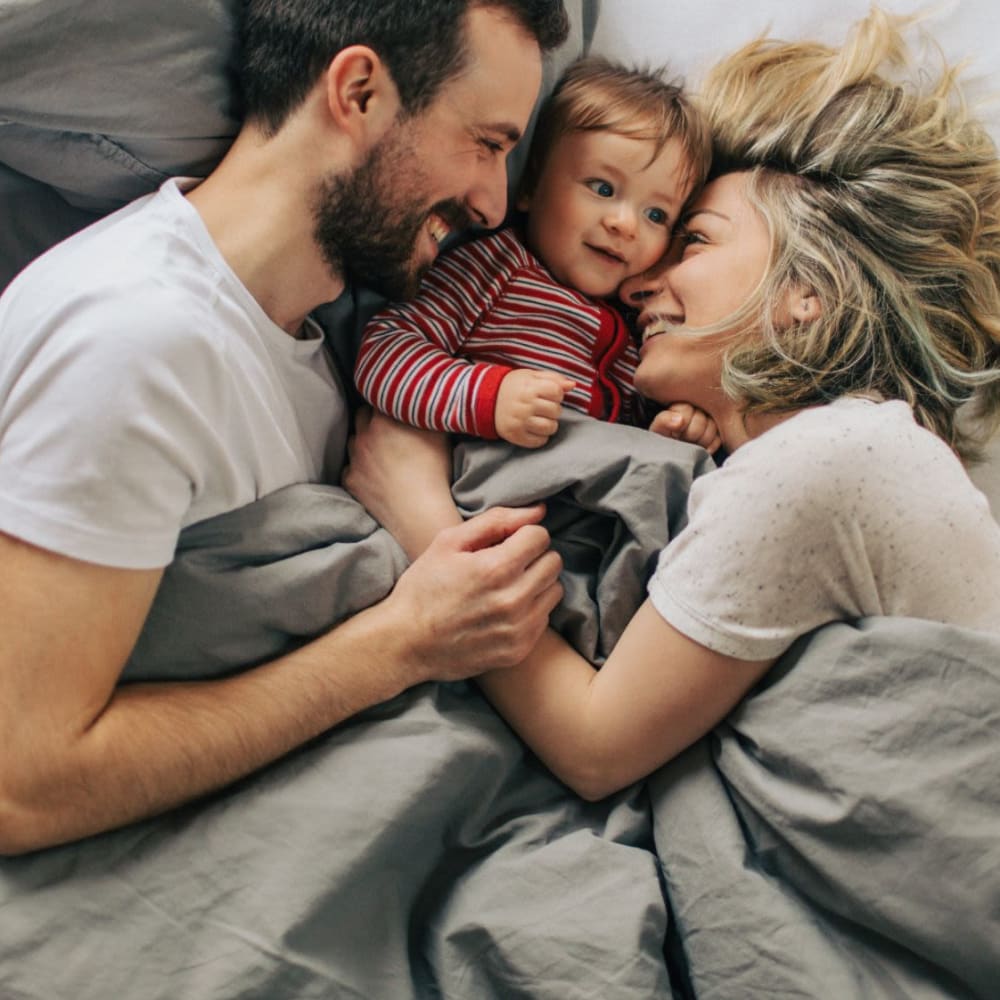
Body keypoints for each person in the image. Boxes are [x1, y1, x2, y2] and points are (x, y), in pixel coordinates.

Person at [344, 8, 1000, 800]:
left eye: (690, 240)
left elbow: (594, 747)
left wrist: (419, 514)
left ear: (806, 295)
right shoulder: (790, 456)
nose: (642, 277)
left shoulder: (831, 455)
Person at [0, 0, 572, 855]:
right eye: (485, 145)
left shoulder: (312, 339)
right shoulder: (137, 342)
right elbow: (22, 781)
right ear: (360, 92)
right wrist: (405, 643)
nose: (494, 203)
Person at [355, 56, 719, 451]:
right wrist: (491, 398)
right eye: (602, 189)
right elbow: (383, 351)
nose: (625, 225)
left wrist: (674, 426)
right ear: (529, 187)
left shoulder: (639, 317)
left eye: (655, 214)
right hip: (484, 471)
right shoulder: (492, 269)